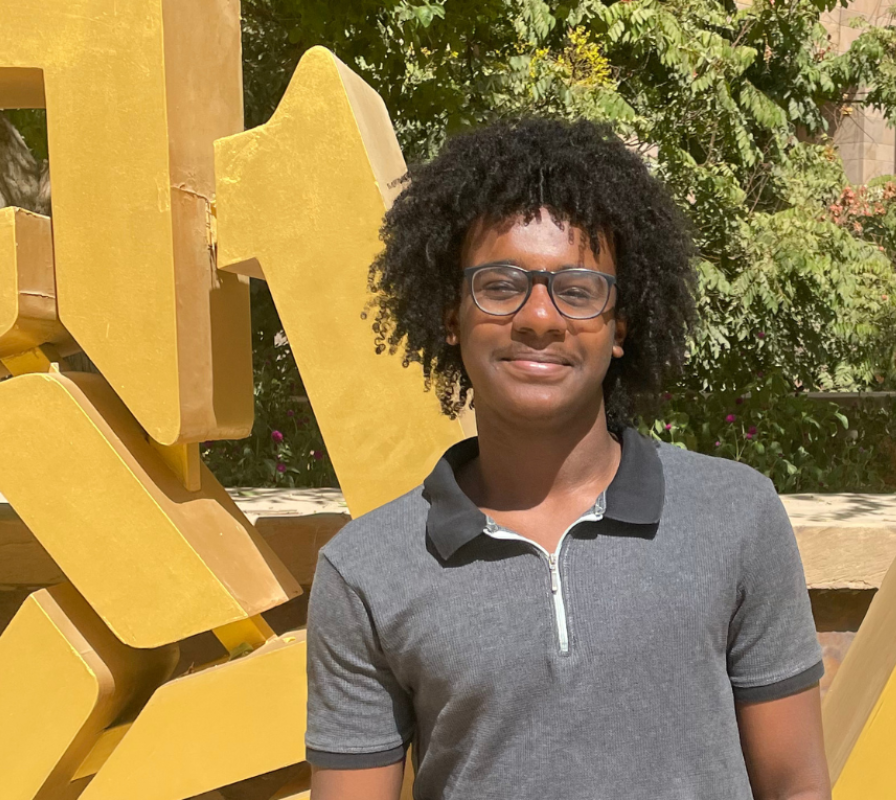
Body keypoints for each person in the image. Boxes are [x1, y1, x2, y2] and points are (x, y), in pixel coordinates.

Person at [305, 117, 829, 800]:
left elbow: (795, 785)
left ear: (620, 326)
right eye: (500, 285)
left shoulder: (737, 517)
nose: (540, 318)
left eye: (578, 290)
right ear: (451, 317)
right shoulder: (366, 572)